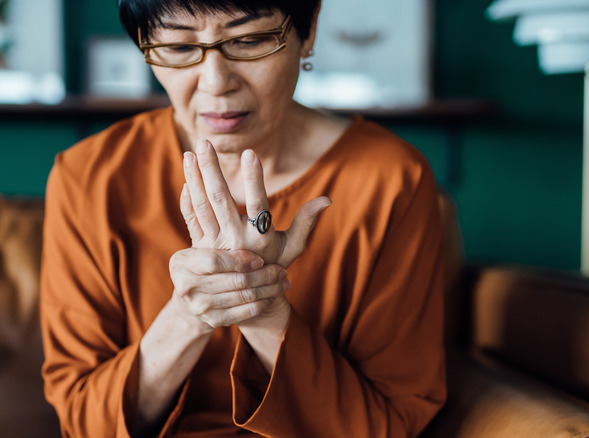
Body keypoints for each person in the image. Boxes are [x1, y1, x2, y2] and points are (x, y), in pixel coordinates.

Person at [40, 0, 447, 437]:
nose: (216, 84)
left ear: (306, 34)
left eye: (250, 41)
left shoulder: (390, 179)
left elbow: (390, 424)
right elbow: (85, 422)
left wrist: (265, 308)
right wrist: (189, 315)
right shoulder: (90, 175)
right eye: (178, 47)